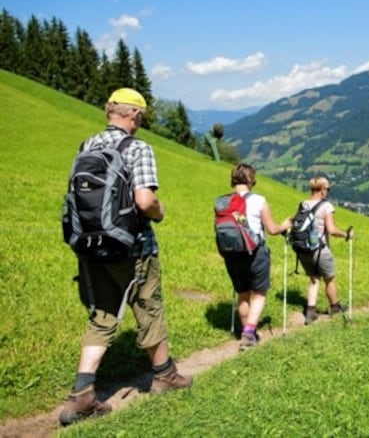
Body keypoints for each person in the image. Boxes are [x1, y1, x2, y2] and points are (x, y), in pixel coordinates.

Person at [59, 88, 191, 426]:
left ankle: (82, 393)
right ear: (133, 115)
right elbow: (145, 201)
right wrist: (160, 212)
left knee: (101, 314)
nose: (141, 123)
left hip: (89, 246)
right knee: (148, 307)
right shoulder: (138, 148)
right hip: (132, 246)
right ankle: (164, 375)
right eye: (142, 117)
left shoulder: (85, 146)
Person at [222, 164, 291, 350]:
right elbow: (272, 229)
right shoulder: (259, 200)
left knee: (242, 294)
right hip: (255, 253)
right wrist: (284, 225)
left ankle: (245, 332)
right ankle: (249, 333)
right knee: (259, 294)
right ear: (251, 180)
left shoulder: (222, 202)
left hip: (231, 254)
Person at [297, 176, 354, 325]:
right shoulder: (326, 206)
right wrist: (346, 235)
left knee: (314, 279)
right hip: (320, 249)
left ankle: (310, 312)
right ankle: (335, 307)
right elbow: (331, 230)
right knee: (329, 279)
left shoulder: (303, 204)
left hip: (303, 249)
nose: (328, 191)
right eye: (327, 189)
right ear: (322, 189)